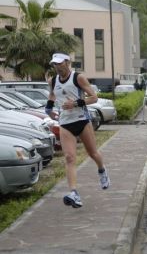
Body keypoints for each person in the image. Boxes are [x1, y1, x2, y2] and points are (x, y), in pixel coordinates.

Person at [45, 52, 110, 209]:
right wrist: (48, 109)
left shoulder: (78, 78)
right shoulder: (53, 80)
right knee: (69, 157)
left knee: (93, 153)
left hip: (82, 120)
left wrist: (75, 104)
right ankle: (74, 193)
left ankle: (102, 170)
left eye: (60, 63)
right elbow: (53, 95)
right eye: (54, 64)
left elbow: (93, 97)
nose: (57, 66)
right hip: (65, 123)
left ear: (67, 62)